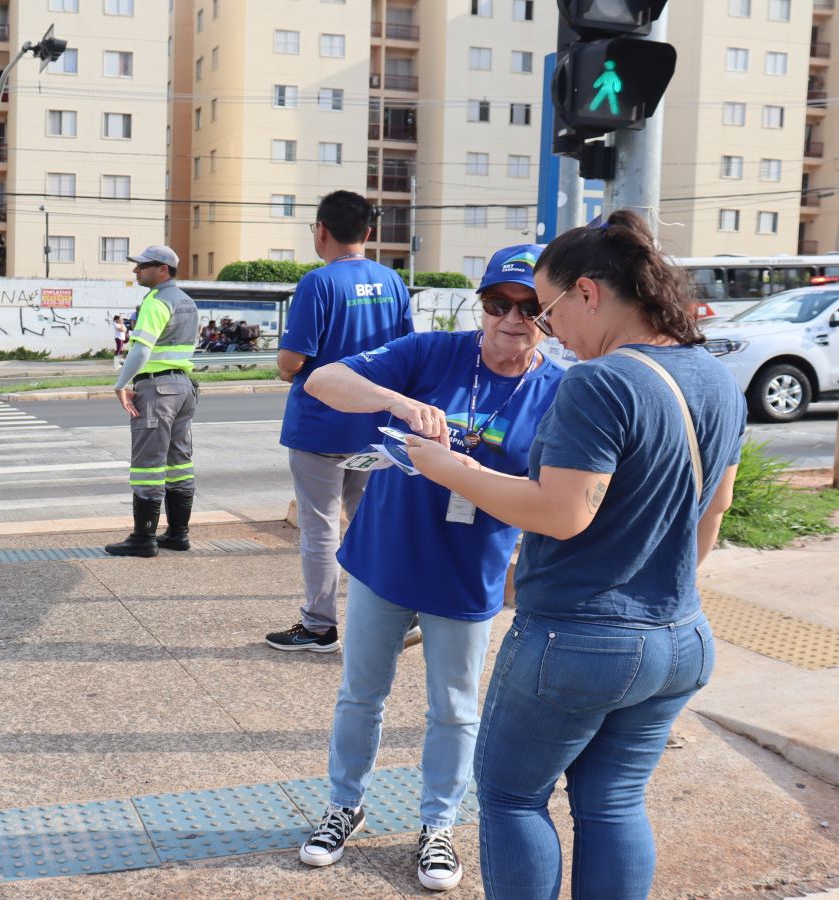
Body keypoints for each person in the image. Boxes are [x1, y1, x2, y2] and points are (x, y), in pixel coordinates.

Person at [402, 212, 746, 899]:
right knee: (613, 802)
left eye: (550, 310)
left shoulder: (601, 383)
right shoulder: (714, 377)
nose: (548, 330)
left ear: (589, 293)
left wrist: (441, 465)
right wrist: (656, 593)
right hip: (679, 635)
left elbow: (561, 511)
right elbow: (716, 510)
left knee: (509, 797)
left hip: (577, 638)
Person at [293, 244, 562, 892]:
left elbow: (557, 494)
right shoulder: (434, 353)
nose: (511, 319)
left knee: (454, 709)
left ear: (548, 316)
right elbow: (320, 380)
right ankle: (344, 805)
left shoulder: (557, 392)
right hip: (385, 558)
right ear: (483, 305)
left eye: (529, 307)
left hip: (468, 574)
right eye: (499, 303)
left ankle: (437, 826)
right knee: (361, 693)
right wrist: (400, 403)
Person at [265, 189, 414, 653]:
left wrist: (284, 368)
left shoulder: (319, 283)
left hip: (321, 426)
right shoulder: (393, 282)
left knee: (321, 527)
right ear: (368, 234)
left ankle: (318, 625)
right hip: (375, 427)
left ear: (321, 231)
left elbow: (293, 359)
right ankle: (399, 617)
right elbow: (409, 352)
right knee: (375, 522)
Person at [104, 245, 200, 557]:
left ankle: (143, 539)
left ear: (163, 270)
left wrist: (121, 383)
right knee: (179, 463)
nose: (136, 271)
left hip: (157, 389)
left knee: (148, 465)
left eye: (142, 267)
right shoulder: (187, 302)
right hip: (184, 387)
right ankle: (177, 534)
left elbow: (141, 350)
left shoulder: (157, 301)